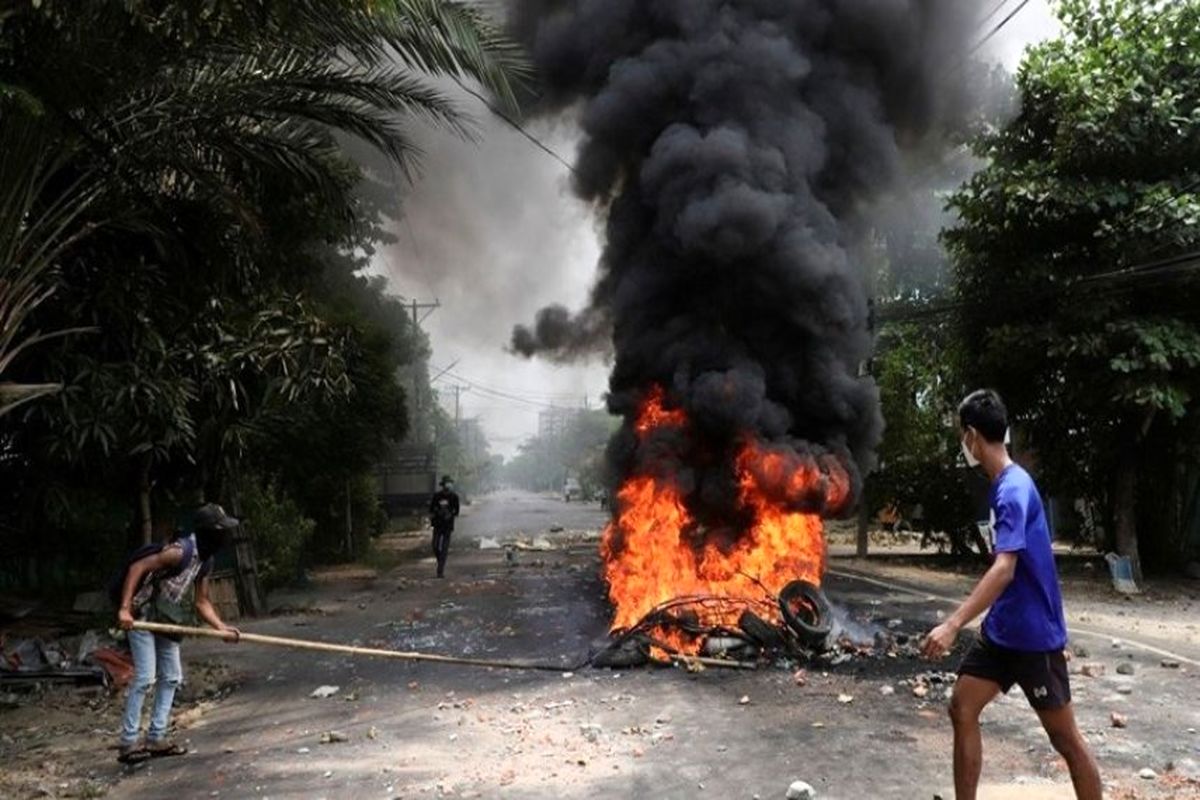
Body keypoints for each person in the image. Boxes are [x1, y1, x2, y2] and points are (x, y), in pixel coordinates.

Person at [922, 390, 1101, 800]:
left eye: (960, 435)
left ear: (971, 436)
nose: (961, 444)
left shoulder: (1013, 490)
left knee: (1066, 740)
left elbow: (1005, 569)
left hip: (1034, 637)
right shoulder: (1002, 485)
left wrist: (952, 624)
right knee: (961, 707)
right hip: (1002, 632)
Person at [113, 503, 241, 764]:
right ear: (209, 533)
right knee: (146, 677)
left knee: (171, 677)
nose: (226, 537)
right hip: (141, 615)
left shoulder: (206, 561)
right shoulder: (179, 552)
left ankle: (157, 738)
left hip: (165, 617)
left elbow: (202, 601)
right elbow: (137, 567)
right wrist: (125, 609)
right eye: (222, 531)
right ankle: (128, 743)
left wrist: (221, 628)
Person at [429, 475, 460, 578]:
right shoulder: (437, 496)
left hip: (447, 526)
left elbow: (456, 511)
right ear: (443, 485)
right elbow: (431, 509)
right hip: (437, 525)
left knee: (444, 549)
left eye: (449, 483)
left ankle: (440, 570)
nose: (448, 485)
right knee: (435, 546)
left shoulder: (454, 497)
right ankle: (440, 561)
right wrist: (437, 513)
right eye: (447, 483)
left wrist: (450, 514)